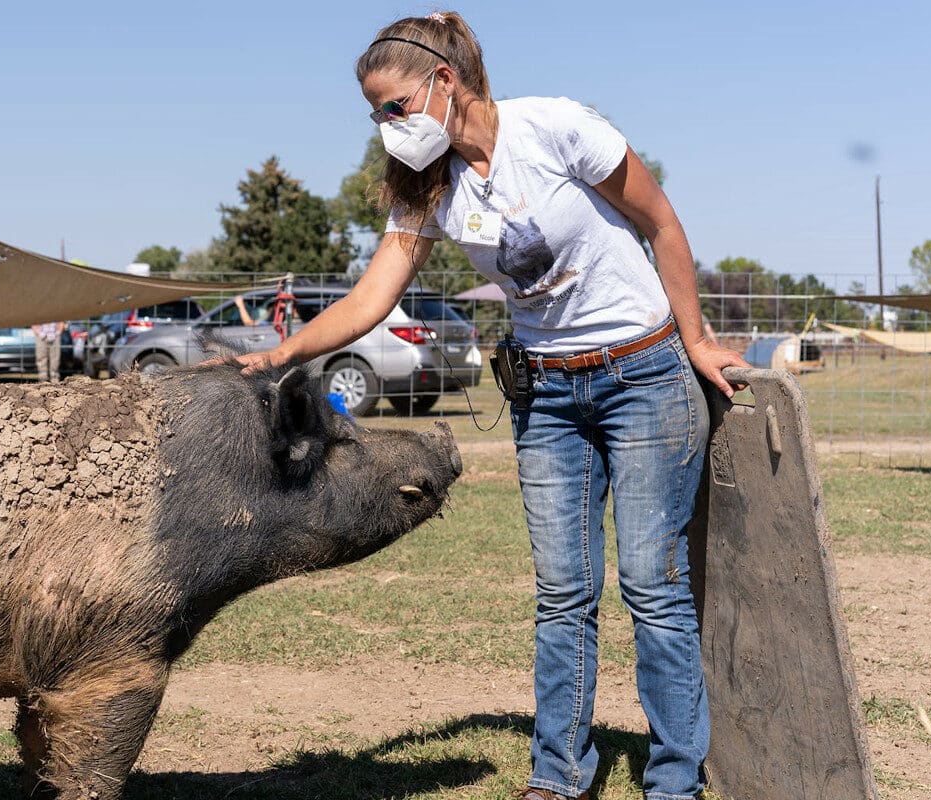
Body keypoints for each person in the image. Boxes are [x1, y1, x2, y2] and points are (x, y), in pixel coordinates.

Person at [230, 12, 748, 800]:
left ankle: (674, 781)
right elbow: (372, 297)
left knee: (652, 584)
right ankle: (559, 775)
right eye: (375, 114)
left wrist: (698, 339)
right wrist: (277, 354)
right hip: (547, 392)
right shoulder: (427, 187)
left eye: (394, 107)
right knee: (563, 593)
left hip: (643, 375)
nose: (386, 127)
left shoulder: (558, 129)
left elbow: (660, 222)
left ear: (444, 82)